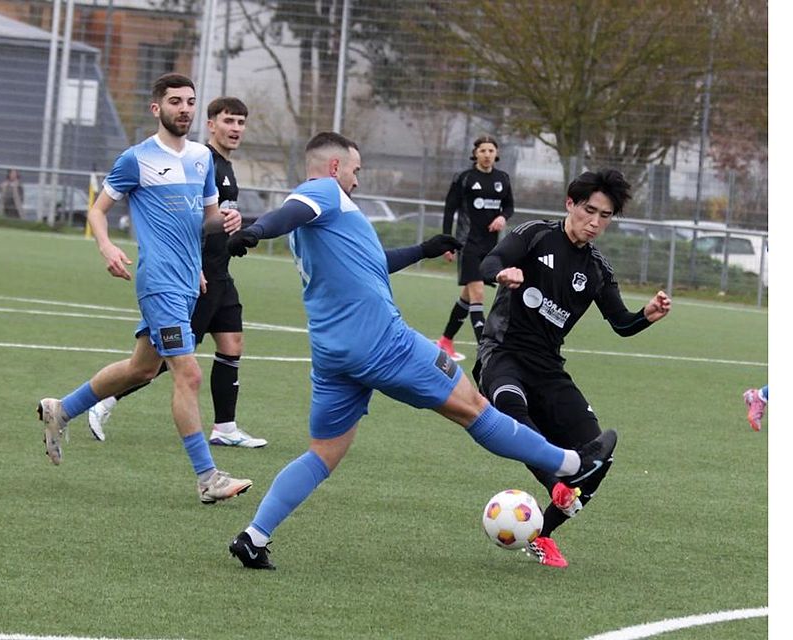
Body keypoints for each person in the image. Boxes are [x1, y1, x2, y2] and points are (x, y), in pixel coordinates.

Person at [223, 132, 618, 570]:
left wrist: (423, 251)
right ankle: (571, 463)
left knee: (323, 452)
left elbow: (372, 261)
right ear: (335, 167)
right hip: (382, 342)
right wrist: (255, 231)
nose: (357, 179)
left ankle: (254, 536)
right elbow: (289, 212)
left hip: (334, 355)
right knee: (474, 407)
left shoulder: (324, 221)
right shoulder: (323, 193)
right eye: (355, 170)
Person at [36, 73, 253, 505]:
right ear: (157, 108)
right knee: (188, 374)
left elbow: (206, 219)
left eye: (190, 101)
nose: (184, 109)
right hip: (159, 283)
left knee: (141, 369)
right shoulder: (136, 159)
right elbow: (98, 210)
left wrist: (226, 221)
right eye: (175, 101)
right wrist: (107, 247)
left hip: (189, 281)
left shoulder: (201, 158)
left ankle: (61, 409)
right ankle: (207, 478)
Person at [473, 169, 672, 568]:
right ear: (570, 204)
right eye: (588, 210)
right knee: (511, 406)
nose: (595, 222)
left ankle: (542, 534)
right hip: (503, 354)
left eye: (605, 216)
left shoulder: (597, 269)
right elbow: (489, 261)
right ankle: (557, 483)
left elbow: (621, 324)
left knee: (599, 457)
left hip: (548, 367)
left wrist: (646, 315)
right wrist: (501, 273)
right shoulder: (535, 235)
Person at [86, 97, 267, 449]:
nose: (235, 129)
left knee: (231, 343)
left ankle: (225, 427)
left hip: (220, 272)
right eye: (228, 121)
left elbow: (211, 220)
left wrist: (235, 227)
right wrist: (195, 265)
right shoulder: (198, 161)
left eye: (241, 122)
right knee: (167, 359)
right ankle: (106, 398)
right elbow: (185, 221)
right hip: (191, 275)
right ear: (211, 124)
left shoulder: (221, 166)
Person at [436, 135, 514, 361]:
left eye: (491, 150)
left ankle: (445, 341)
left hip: (490, 247)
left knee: (468, 296)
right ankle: (485, 350)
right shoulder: (464, 178)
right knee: (478, 293)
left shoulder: (503, 178)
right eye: (483, 151)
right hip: (467, 244)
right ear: (475, 154)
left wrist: (502, 217)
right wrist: (447, 242)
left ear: (496, 154)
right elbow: (449, 210)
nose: (487, 154)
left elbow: (509, 206)